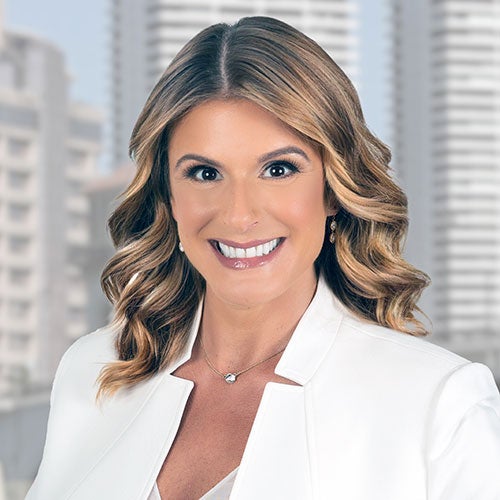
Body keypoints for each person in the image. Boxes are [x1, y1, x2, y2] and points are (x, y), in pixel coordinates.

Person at [26, 16, 500, 500]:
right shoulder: (93, 371)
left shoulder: (439, 403)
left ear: (334, 189)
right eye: (205, 174)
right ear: (168, 196)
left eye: (278, 169)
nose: (239, 215)